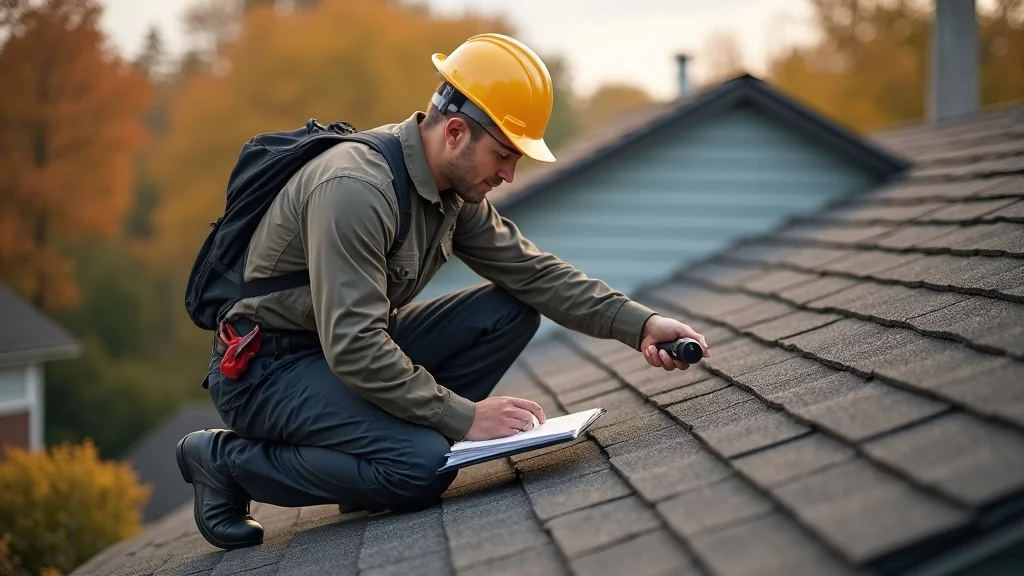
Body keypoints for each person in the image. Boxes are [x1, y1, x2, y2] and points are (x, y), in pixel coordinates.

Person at [175, 32, 710, 551]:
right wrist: (466, 418)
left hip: (335, 355)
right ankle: (224, 463)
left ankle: (362, 470)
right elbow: (355, 346)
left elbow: (533, 273)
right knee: (420, 466)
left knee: (510, 309)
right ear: (455, 132)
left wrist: (639, 324)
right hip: (268, 372)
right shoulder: (357, 190)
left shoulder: (453, 190)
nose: (509, 174)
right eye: (503, 154)